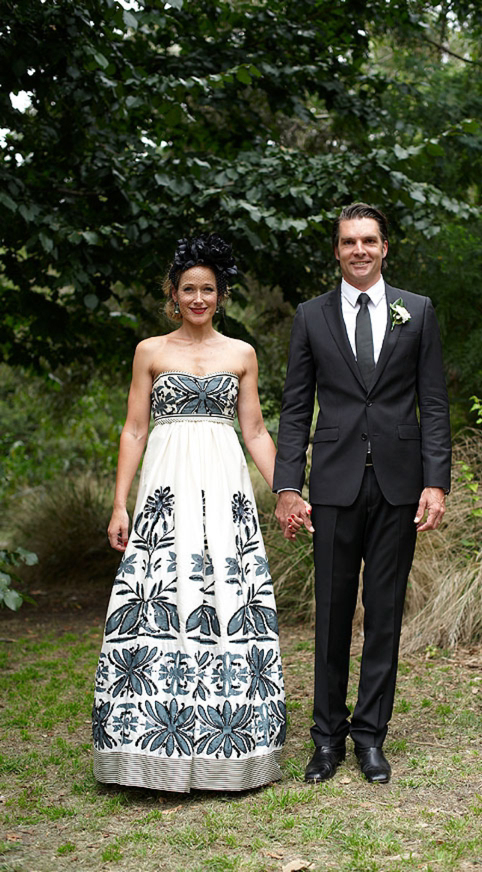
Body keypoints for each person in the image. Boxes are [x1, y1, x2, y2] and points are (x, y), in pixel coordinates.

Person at [93, 234, 293, 792]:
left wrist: (287, 492)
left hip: (223, 488)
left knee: (225, 594)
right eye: (189, 289)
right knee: (160, 594)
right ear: (173, 294)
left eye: (208, 289)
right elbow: (135, 429)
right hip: (166, 489)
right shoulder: (150, 352)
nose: (198, 298)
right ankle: (147, 748)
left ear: (220, 295)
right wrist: (119, 503)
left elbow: (253, 431)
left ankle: (231, 747)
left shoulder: (241, 354)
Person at [273, 203, 451, 784]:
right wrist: (287, 486)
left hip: (399, 484)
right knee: (329, 613)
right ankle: (325, 738)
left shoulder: (417, 311)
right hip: (332, 484)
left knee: (385, 615)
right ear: (337, 250)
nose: (358, 250)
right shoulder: (311, 316)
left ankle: (370, 736)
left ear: (384, 247)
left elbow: (435, 403)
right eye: (348, 241)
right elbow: (296, 408)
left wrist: (435, 480)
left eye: (368, 240)